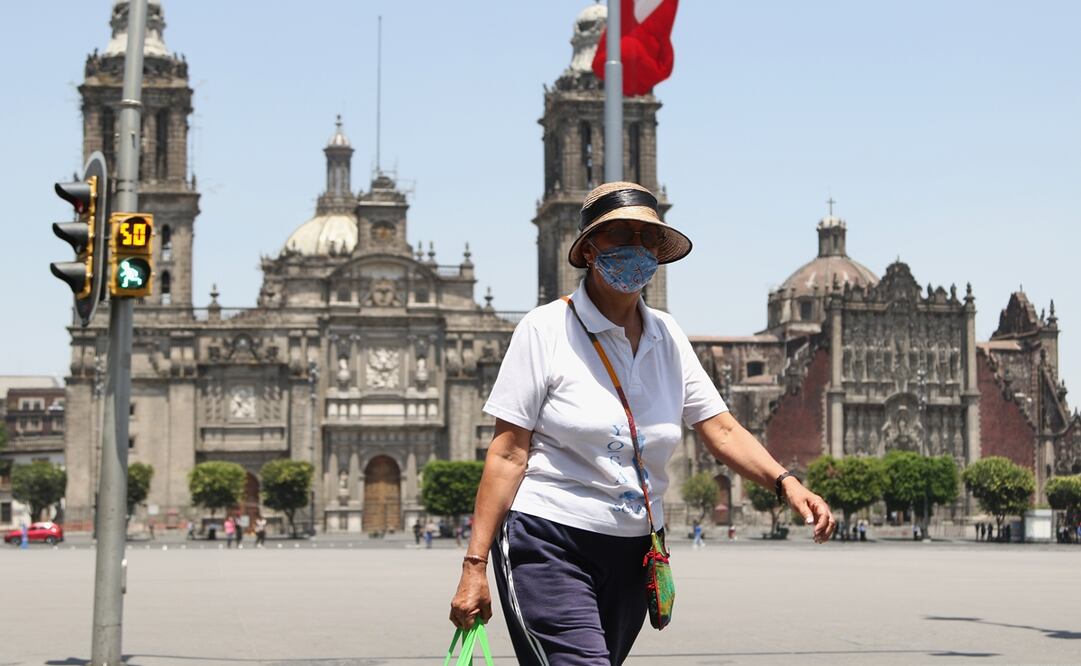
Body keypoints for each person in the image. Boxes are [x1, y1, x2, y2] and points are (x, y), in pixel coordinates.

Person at [448, 182, 836, 665]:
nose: (638, 250)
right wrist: (474, 565)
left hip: (635, 554)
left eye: (648, 239)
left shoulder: (667, 335)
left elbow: (722, 428)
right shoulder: (545, 329)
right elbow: (508, 452)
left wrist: (785, 482)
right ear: (589, 250)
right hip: (549, 541)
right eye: (622, 237)